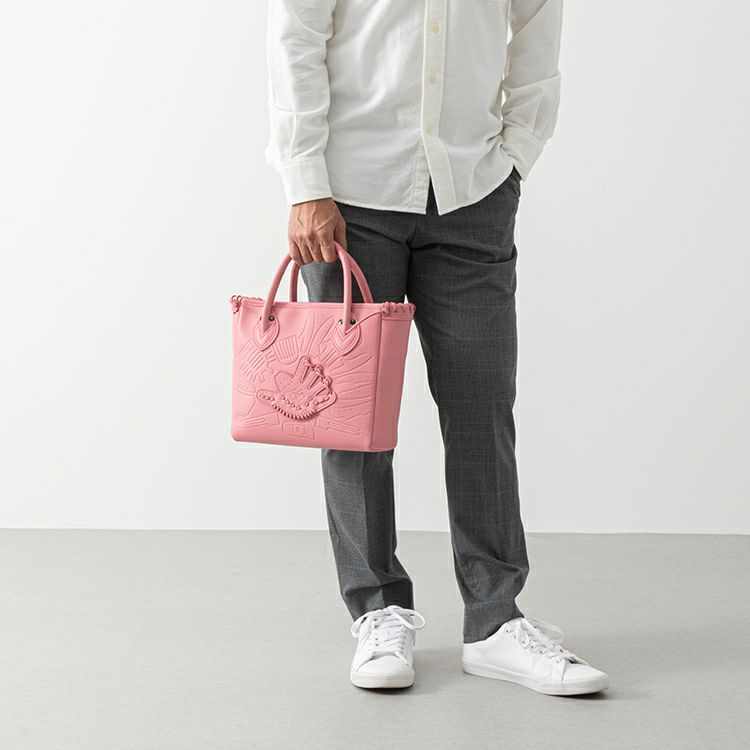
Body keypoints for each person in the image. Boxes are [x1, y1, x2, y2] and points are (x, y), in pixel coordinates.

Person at [264, 0, 608, 696]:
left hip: (472, 191)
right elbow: (296, 34)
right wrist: (304, 183)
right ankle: (377, 610)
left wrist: (516, 156)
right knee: (354, 421)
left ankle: (495, 622)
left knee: (483, 410)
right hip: (349, 200)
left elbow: (537, 30)